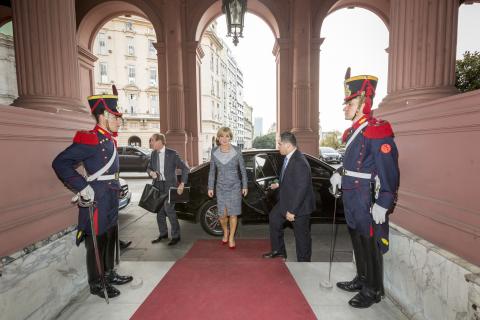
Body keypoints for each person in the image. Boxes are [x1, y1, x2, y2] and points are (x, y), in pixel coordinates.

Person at [52, 87, 133, 299]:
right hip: (97, 198)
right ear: (104, 115)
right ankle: (97, 284)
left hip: (111, 196)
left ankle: (109, 273)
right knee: (97, 242)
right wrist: (82, 186)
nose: (118, 121)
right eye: (116, 117)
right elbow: (60, 163)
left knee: (110, 237)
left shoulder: (109, 140)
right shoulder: (90, 139)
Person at [329, 69, 400, 308]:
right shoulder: (354, 131)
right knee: (357, 240)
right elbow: (352, 164)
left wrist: (384, 201)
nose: (345, 107)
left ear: (363, 102)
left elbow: (388, 169)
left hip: (365, 197)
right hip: (352, 196)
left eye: (349, 101)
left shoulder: (377, 129)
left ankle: (372, 290)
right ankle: (361, 279)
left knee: (370, 244)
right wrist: (339, 173)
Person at [262, 132, 316, 262]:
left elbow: (301, 189)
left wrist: (293, 211)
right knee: (274, 218)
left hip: (299, 206)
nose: (278, 146)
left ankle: (304, 263)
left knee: (302, 237)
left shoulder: (299, 161)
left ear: (287, 145)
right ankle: (278, 251)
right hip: (286, 201)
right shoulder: (288, 157)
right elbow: (290, 179)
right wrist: (278, 184)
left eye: (280, 144)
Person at [208, 127, 248, 249]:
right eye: (221, 136)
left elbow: (242, 169)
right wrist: (210, 187)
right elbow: (212, 171)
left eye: (227, 136)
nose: (224, 139)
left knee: (233, 214)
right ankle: (225, 231)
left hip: (235, 186)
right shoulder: (214, 152)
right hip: (220, 187)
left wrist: (245, 185)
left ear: (230, 137)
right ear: (218, 138)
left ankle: (231, 237)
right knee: (222, 215)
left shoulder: (237, 150)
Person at [148, 133, 189, 246]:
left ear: (160, 141)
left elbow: (185, 168)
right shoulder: (153, 154)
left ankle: (176, 236)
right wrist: (151, 172)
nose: (151, 143)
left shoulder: (172, 154)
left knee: (169, 210)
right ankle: (163, 234)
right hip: (158, 186)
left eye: (152, 140)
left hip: (170, 186)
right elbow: (149, 167)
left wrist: (182, 184)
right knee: (159, 211)